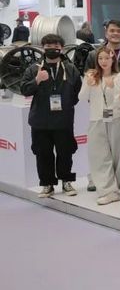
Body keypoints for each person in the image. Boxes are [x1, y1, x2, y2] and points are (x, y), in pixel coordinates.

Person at [21, 34, 82, 198]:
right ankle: (47, 184)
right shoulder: (33, 69)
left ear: (61, 48)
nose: (52, 49)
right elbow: (24, 90)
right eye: (48, 46)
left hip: (64, 120)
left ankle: (66, 181)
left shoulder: (70, 69)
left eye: (55, 46)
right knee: (43, 154)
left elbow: (77, 92)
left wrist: (67, 105)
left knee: (65, 152)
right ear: (43, 48)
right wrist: (36, 80)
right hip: (40, 121)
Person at [79, 47, 120, 205]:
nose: (103, 61)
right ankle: (107, 190)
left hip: (116, 119)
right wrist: (88, 84)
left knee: (118, 156)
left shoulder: (119, 77)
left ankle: (116, 187)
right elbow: (81, 97)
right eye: (100, 58)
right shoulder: (91, 76)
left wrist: (114, 87)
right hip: (96, 120)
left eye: (107, 58)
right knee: (99, 156)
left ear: (113, 59)